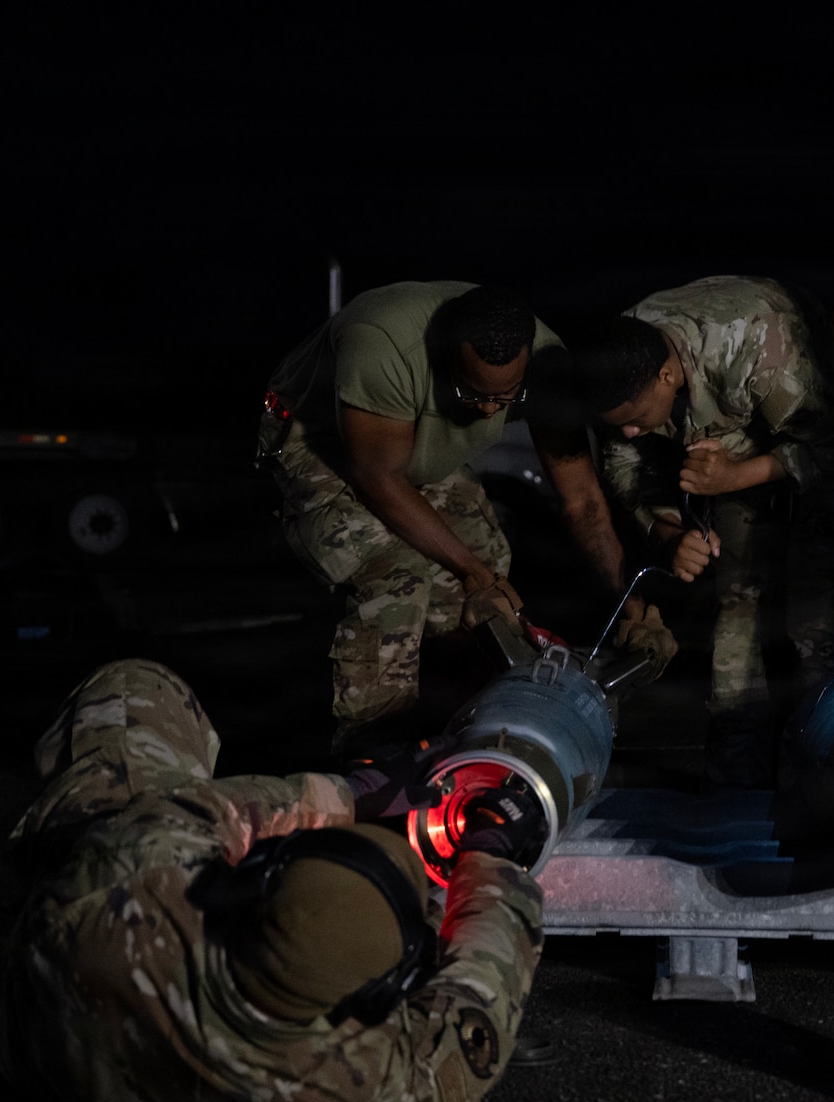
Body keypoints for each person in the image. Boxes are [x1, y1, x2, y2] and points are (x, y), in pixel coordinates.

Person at [0, 658, 547, 1102]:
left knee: (136, 690)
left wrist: (353, 796)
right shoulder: (360, 1089)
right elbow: (480, 992)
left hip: (49, 1030)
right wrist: (492, 854)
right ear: (384, 991)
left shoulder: (134, 883)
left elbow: (204, 812)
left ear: (255, 884)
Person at [259, 281, 675, 753]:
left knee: (491, 568)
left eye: (505, 401)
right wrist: (471, 574)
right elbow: (379, 479)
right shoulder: (382, 343)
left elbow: (583, 501)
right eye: (472, 393)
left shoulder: (546, 363)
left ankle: (481, 725)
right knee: (398, 579)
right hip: (323, 447)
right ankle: (371, 754)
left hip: (412, 453)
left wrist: (632, 604)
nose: (486, 411)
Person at [568, 276, 834, 785]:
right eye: (619, 422)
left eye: (635, 419)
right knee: (737, 599)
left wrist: (735, 477)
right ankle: (736, 776)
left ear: (667, 375)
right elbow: (623, 460)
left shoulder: (756, 343)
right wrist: (668, 532)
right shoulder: (619, 364)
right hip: (741, 429)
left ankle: (827, 766)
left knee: (816, 613)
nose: (630, 430)